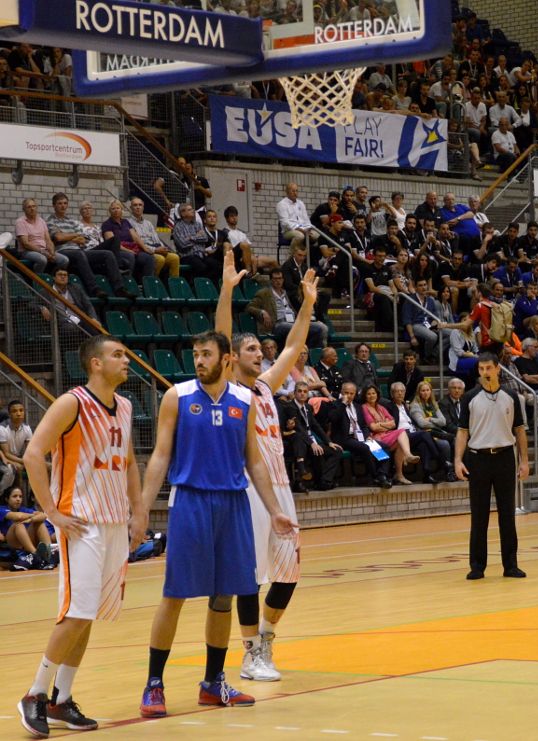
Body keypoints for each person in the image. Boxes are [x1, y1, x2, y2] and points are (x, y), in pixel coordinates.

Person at [138, 331, 298, 718]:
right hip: (190, 500)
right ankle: (154, 684)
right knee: (174, 594)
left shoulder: (245, 400)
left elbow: (255, 461)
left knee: (224, 596)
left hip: (233, 502)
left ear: (225, 359)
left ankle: (213, 682)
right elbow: (159, 456)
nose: (199, 361)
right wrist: (142, 509)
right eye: (196, 355)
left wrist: (274, 507)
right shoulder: (177, 396)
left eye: (206, 354)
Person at [17, 335, 146, 737]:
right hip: (81, 523)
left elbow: (127, 463)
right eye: (117, 355)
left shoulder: (124, 406)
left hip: (113, 523)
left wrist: (138, 510)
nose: (126, 360)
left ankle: (61, 698)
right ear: (95, 363)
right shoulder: (71, 403)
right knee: (74, 613)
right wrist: (52, 512)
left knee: (88, 614)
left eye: (125, 354)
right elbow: (33, 453)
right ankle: (35, 694)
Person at [215, 250, 316, 682]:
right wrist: (226, 290)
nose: (262, 353)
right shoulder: (226, 389)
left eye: (261, 349)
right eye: (253, 349)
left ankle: (267, 642)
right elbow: (221, 334)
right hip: (248, 491)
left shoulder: (265, 387)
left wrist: (308, 304)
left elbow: (294, 345)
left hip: (280, 489)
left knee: (289, 573)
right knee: (250, 576)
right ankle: (250, 652)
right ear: (233, 358)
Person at [455, 352, 530, 580]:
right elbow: (462, 431)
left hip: (505, 457)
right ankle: (477, 566)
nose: (485, 373)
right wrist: (458, 460)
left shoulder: (511, 396)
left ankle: (511, 565)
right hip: (478, 459)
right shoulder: (469, 397)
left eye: (489, 368)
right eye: (481, 369)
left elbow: (519, 431)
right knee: (479, 515)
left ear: (498, 369)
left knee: (507, 514)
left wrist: (524, 461)